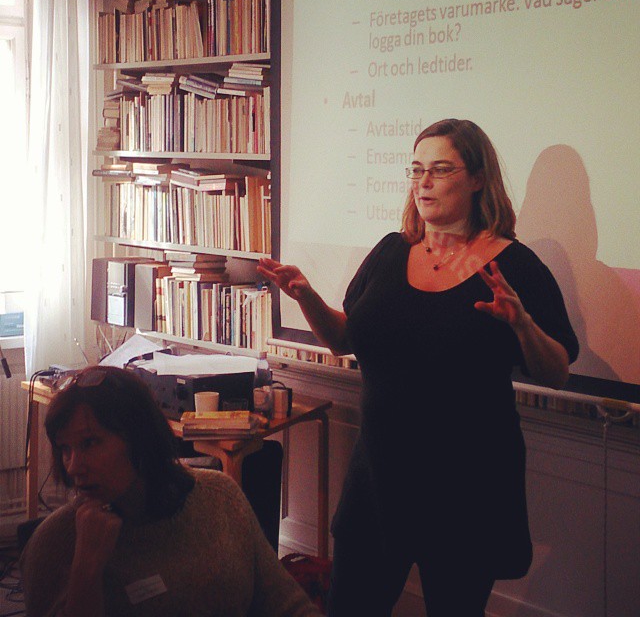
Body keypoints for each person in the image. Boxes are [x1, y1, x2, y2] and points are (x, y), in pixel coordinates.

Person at [258, 118, 579, 617]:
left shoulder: (514, 266)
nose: (423, 182)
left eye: (441, 169)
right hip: (378, 477)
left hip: (467, 488)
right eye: (416, 169)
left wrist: (523, 325)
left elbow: (556, 372)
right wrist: (306, 297)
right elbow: (344, 339)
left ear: (478, 179)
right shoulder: (392, 251)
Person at [19, 365, 322, 617]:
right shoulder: (55, 543)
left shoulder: (220, 498)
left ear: (139, 440)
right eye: (65, 449)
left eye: (89, 443)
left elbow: (288, 605)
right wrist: (86, 568)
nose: (73, 466)